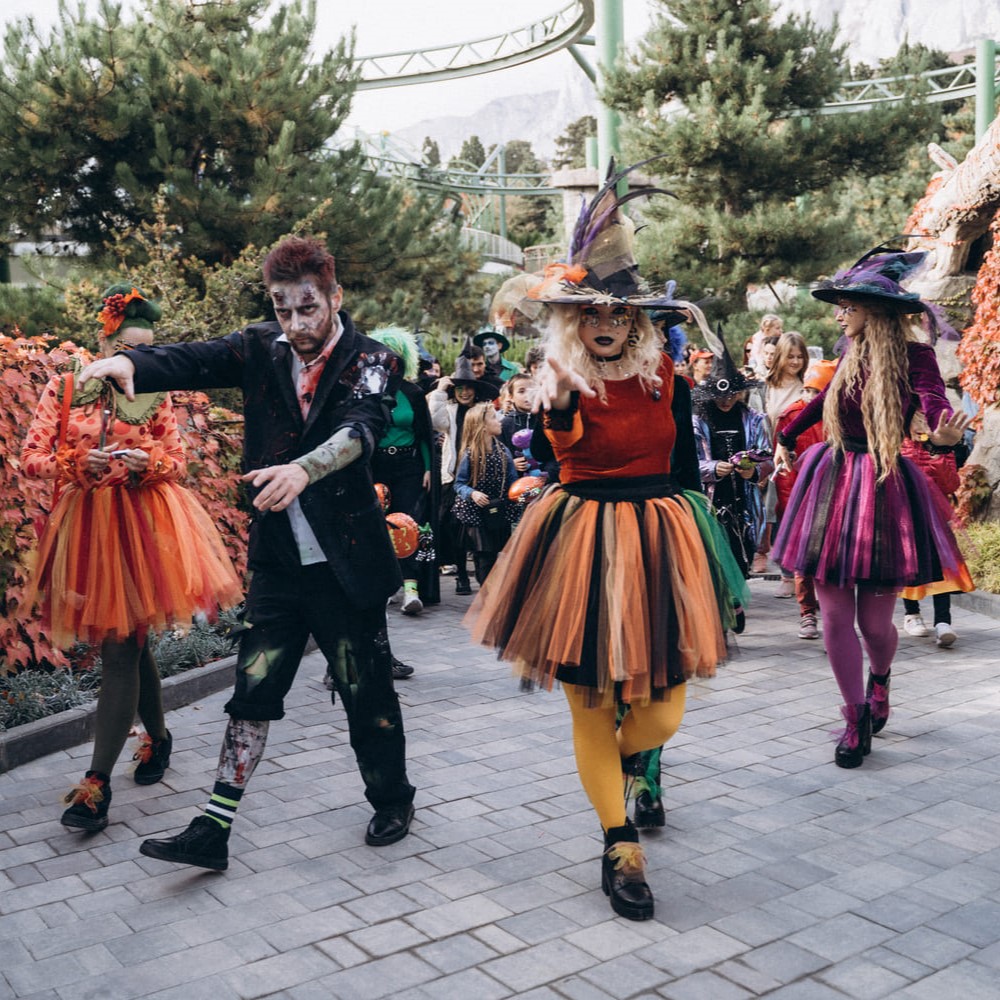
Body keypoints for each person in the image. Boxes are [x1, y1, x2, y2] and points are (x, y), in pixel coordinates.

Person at [78, 237, 417, 867]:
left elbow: (361, 429)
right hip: (279, 563)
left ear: (335, 297)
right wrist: (130, 363)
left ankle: (392, 798)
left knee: (366, 693)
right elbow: (195, 359)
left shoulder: (372, 359)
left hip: (347, 564)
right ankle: (214, 827)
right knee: (251, 691)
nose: (297, 324)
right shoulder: (261, 346)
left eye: (308, 308)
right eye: (284, 309)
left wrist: (303, 469)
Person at [466, 162, 744, 921]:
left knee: (661, 711)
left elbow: (683, 467)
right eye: (590, 312)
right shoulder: (560, 381)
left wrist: (706, 557)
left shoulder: (668, 379)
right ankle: (619, 846)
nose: (606, 322)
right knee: (591, 704)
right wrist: (556, 410)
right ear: (573, 322)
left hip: (661, 540)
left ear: (638, 320)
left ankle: (626, 773)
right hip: (581, 541)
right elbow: (556, 452)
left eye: (618, 311)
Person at [22, 283, 242, 832]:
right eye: (130, 350)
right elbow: (31, 458)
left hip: (147, 528)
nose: (141, 360)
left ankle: (95, 786)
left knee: (123, 647)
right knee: (129, 640)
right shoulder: (66, 387)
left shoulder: (156, 392)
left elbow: (178, 460)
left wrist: (150, 462)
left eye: (149, 350)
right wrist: (77, 463)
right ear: (107, 343)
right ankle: (159, 738)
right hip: (88, 529)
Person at [772, 249, 973, 768]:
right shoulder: (850, 354)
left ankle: (879, 680)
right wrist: (787, 436)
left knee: (875, 624)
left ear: (875, 310)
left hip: (883, 487)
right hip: (832, 482)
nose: (840, 315)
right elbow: (825, 401)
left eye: (849, 306)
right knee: (836, 615)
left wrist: (943, 432)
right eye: (840, 307)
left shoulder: (915, 357)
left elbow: (932, 399)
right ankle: (854, 715)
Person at [368, 326, 438, 616]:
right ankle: (386, 584)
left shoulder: (414, 392)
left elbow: (424, 435)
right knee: (377, 524)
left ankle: (411, 588)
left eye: (395, 354)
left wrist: (428, 468)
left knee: (408, 522)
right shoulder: (369, 392)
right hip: (376, 466)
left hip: (410, 465)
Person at [692, 348, 774, 581]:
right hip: (710, 499)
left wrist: (753, 471)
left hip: (744, 501)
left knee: (741, 554)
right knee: (712, 556)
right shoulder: (697, 421)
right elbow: (689, 462)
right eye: (720, 395)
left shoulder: (755, 419)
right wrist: (712, 468)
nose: (726, 400)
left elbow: (767, 457)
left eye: (732, 395)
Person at [772, 359, 837, 639]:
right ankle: (807, 612)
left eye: (817, 392)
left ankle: (834, 616)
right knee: (803, 559)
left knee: (831, 558)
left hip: (834, 495)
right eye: (807, 390)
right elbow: (784, 468)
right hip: (801, 496)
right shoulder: (791, 417)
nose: (811, 397)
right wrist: (790, 505)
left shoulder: (841, 416)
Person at [428, 355, 500, 595]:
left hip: (480, 477)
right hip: (454, 478)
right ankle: (461, 575)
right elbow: (435, 422)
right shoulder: (449, 410)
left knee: (478, 528)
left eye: (469, 387)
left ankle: (484, 575)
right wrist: (440, 391)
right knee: (453, 528)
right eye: (460, 388)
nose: (465, 392)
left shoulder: (484, 411)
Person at [898, 408, 963, 647]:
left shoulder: (941, 446)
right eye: (918, 419)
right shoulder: (896, 444)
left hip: (934, 517)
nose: (923, 425)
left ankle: (943, 621)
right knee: (908, 563)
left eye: (927, 420)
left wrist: (940, 452)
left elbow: (950, 483)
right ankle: (911, 613)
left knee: (942, 565)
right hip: (903, 514)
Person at [760, 332, 809, 586]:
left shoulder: (808, 385)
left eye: (800, 356)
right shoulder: (765, 387)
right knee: (777, 512)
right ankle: (786, 572)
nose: (796, 361)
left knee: (801, 511)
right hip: (773, 458)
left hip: (803, 457)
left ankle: (799, 574)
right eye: (790, 356)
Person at [451, 402, 517, 584]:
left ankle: (490, 589)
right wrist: (472, 493)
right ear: (483, 426)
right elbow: (459, 484)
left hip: (498, 509)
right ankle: (486, 591)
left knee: (495, 552)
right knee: (484, 554)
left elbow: (512, 480)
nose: (499, 420)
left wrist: (520, 492)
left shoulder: (504, 451)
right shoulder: (470, 454)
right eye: (494, 417)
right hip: (476, 511)